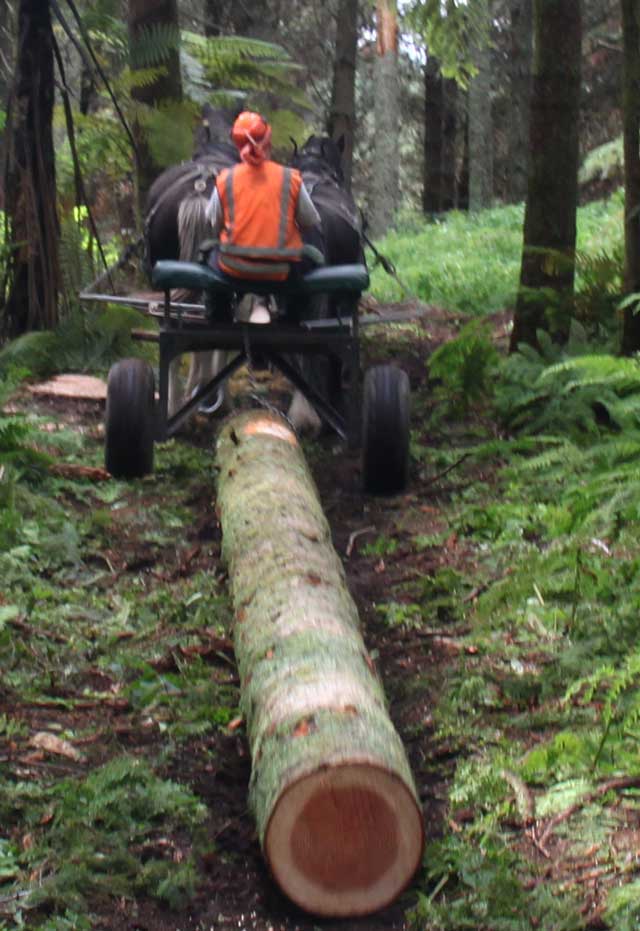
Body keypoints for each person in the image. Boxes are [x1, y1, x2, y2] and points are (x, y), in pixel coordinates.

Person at [204, 111, 324, 320]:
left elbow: (214, 223)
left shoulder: (225, 179)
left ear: (237, 145)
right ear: (268, 142)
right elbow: (309, 221)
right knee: (312, 258)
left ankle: (218, 316)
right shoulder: (290, 178)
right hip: (282, 271)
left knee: (206, 256)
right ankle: (295, 317)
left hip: (233, 268)